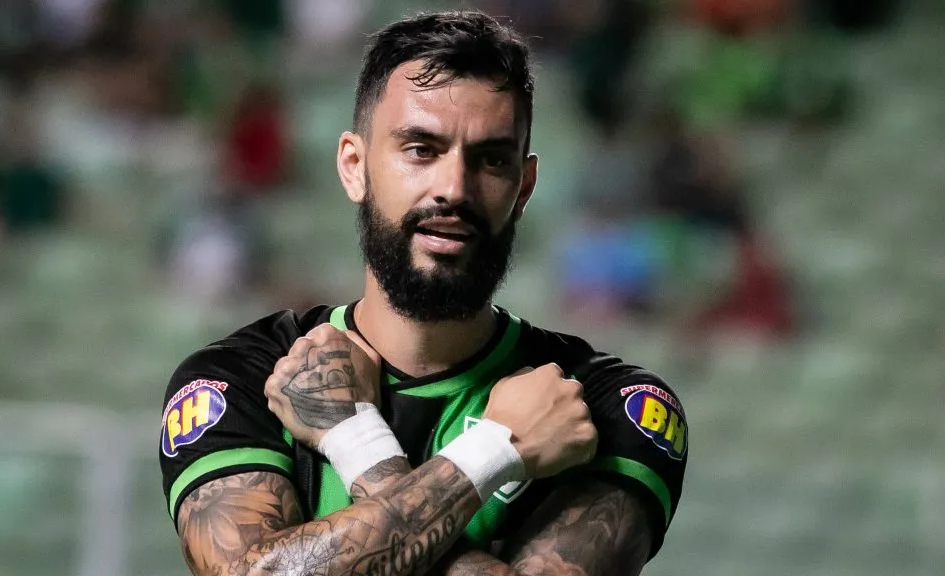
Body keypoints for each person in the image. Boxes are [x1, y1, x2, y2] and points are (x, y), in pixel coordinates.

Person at [159, 11, 688, 575]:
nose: (453, 188)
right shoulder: (243, 376)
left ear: (524, 187)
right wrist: (495, 453)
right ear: (355, 167)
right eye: (420, 150)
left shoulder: (607, 406)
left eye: (490, 159)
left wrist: (353, 438)